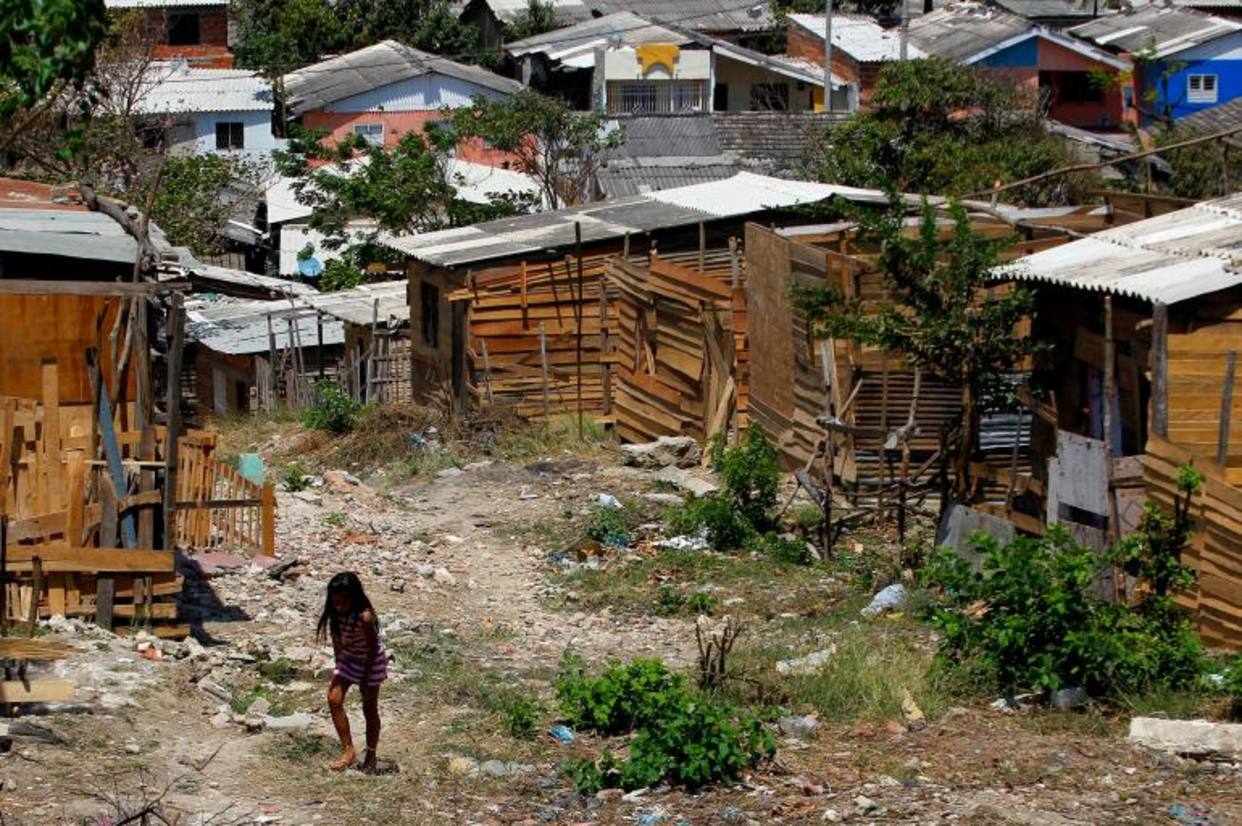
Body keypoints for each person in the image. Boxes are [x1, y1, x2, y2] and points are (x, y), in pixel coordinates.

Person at [316, 571, 387, 773]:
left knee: (369, 707)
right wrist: (339, 666)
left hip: (370, 661)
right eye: (335, 601)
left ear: (353, 598)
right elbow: (337, 639)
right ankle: (348, 750)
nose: (338, 606)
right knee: (334, 699)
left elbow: (373, 648)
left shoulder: (364, 616)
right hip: (349, 659)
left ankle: (371, 755)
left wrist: (364, 677)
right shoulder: (335, 612)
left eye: (342, 601)